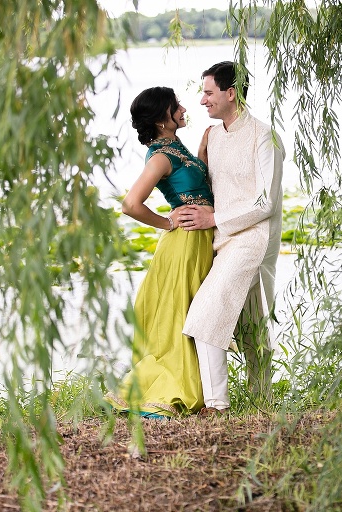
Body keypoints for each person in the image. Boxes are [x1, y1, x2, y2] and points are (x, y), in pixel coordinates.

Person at [177, 61, 284, 416]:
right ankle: (262, 400)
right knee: (251, 322)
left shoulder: (263, 136)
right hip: (225, 240)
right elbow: (211, 185)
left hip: (254, 239)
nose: (203, 100)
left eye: (208, 92)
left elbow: (264, 202)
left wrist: (214, 218)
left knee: (206, 314)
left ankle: (217, 406)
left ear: (231, 93)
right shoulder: (214, 135)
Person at [105, 86, 214, 419]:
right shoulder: (161, 156)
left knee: (196, 311)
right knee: (183, 316)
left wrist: (203, 152)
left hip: (198, 239)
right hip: (184, 243)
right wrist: (167, 222)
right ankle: (171, 390)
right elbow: (129, 205)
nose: (183, 108)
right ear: (161, 118)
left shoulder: (174, 146)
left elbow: (195, 184)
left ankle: (209, 387)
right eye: (174, 105)